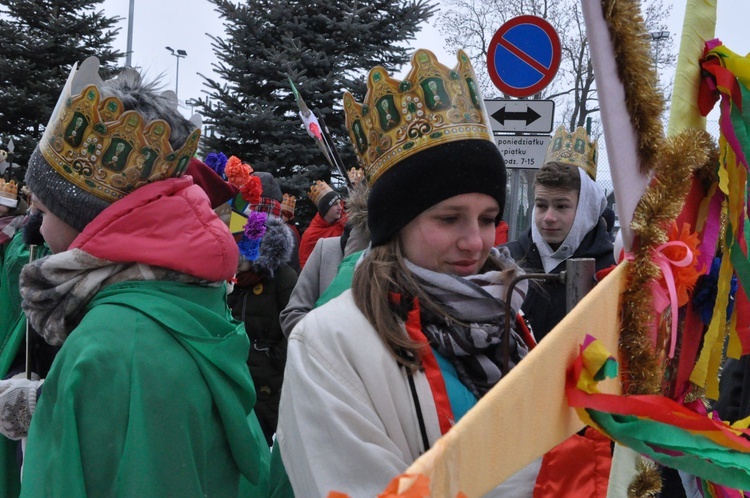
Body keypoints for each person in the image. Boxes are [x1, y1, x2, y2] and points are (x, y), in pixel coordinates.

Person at [276, 48, 535, 496]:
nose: (475, 241)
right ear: (396, 224)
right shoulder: (326, 344)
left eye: (488, 218)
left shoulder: (506, 311)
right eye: (449, 218)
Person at [4, 57, 269, 496]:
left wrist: (64, 407)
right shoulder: (178, 296)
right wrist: (55, 403)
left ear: (86, 218)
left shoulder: (111, 345)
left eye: (43, 210)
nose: (34, 225)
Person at [503, 126, 615, 342]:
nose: (548, 217)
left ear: (587, 209)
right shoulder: (505, 259)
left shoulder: (611, 270)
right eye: (541, 205)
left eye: (562, 206)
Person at [226, 169, 298, 446]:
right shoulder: (228, 275)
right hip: (234, 375)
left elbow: (294, 329)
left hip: (266, 386)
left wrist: (269, 357)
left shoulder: (282, 277)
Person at [298, 179, 346, 268]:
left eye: (340, 203)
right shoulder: (311, 235)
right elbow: (306, 266)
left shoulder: (344, 224)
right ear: (325, 209)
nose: (340, 208)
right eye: (335, 204)